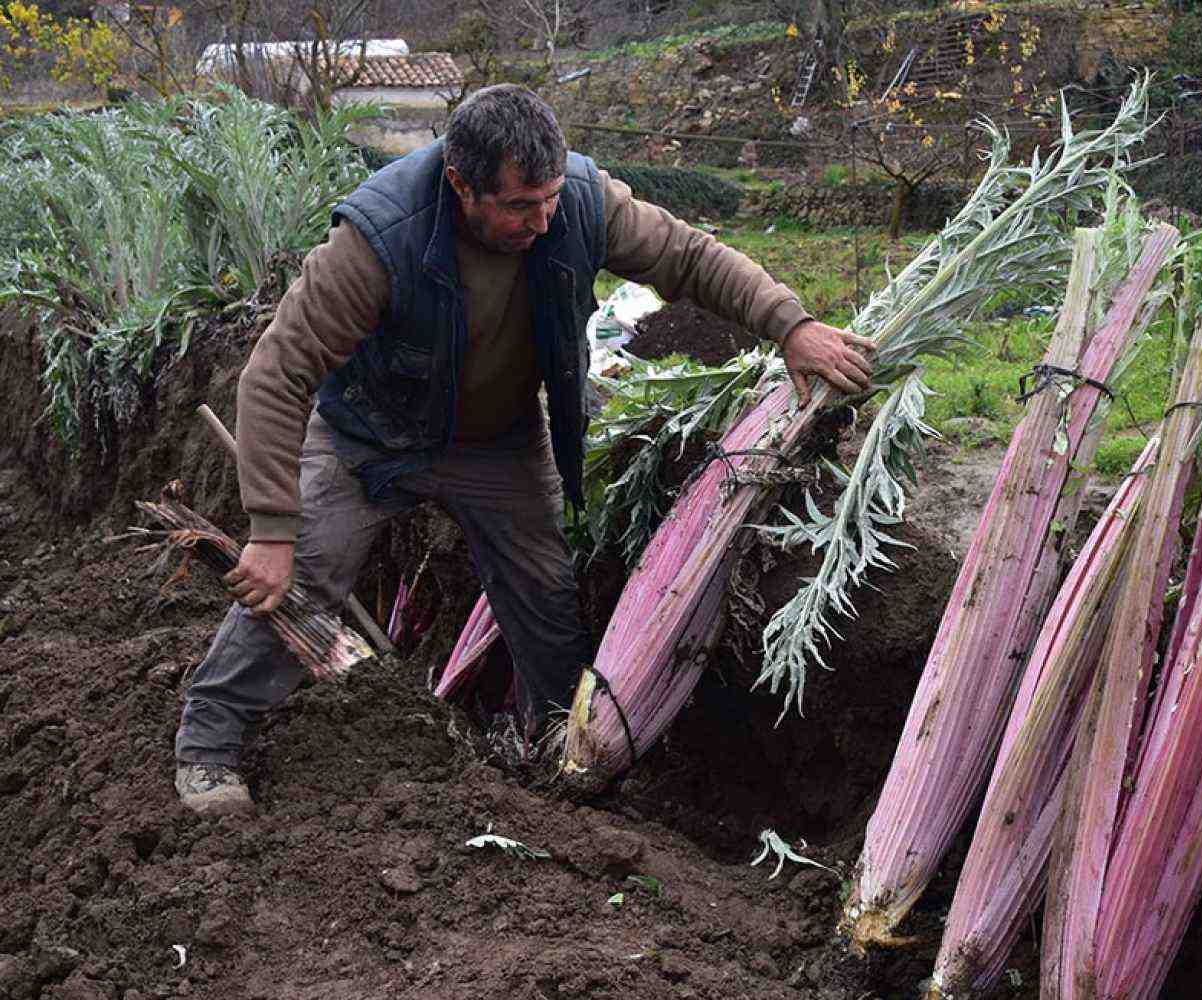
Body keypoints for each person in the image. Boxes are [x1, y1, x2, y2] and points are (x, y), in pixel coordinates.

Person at [173, 84, 875, 815]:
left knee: (544, 597)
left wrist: (790, 325)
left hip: (497, 442)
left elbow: (688, 257)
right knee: (304, 572)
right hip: (371, 438)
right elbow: (275, 374)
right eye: (517, 206)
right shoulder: (381, 238)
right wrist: (272, 529)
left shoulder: (579, 201)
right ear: (459, 183)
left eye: (547, 198)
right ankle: (208, 747)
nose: (540, 221)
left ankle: (554, 747)